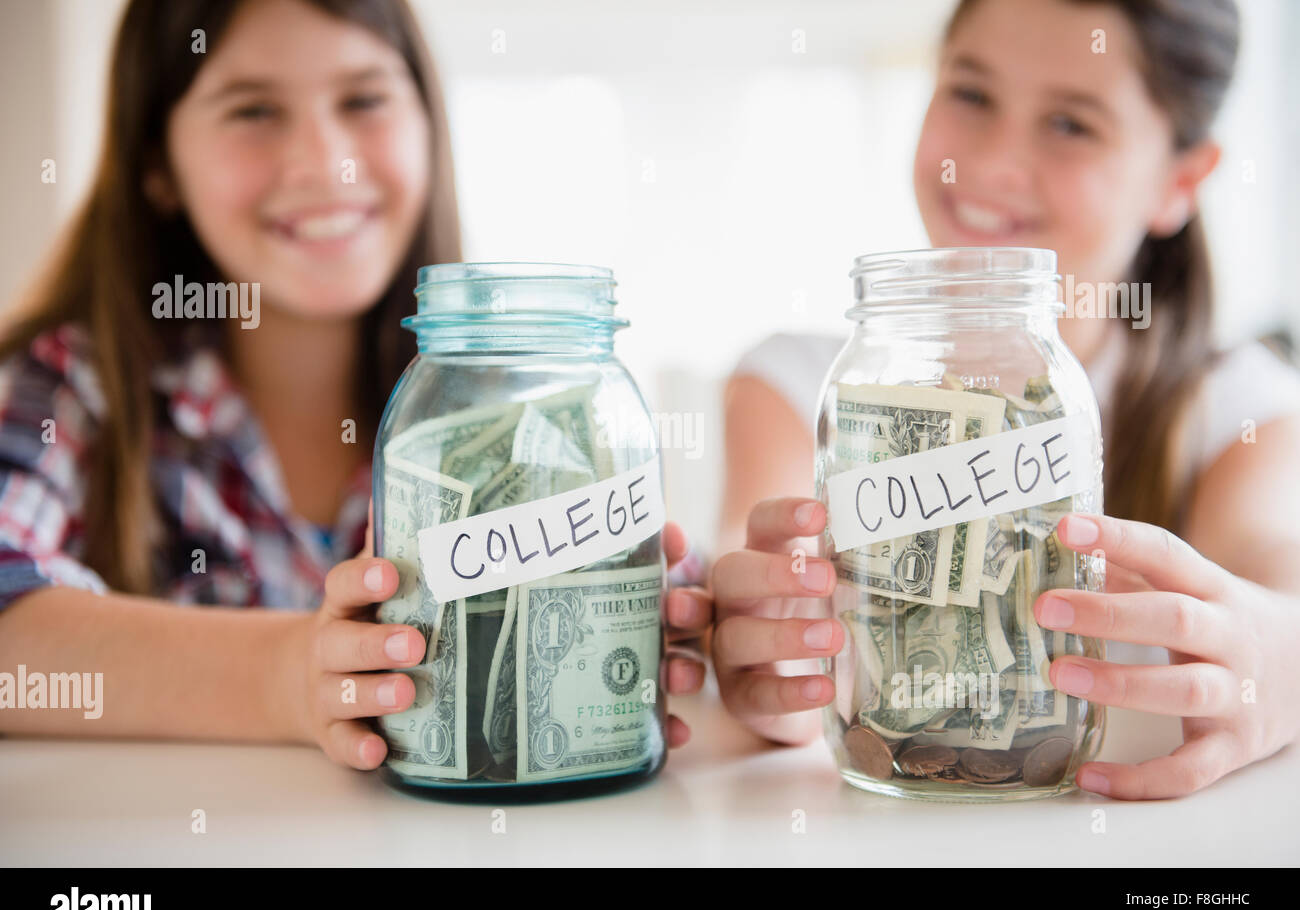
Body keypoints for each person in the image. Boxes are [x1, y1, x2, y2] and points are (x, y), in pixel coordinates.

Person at [0, 0, 707, 766]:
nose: (324, 160)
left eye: (364, 100)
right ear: (158, 167)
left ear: (428, 125)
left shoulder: (527, 400)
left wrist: (739, 633)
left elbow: (679, 611)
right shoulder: (74, 385)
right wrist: (287, 674)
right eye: (254, 110)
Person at [709, 0, 1300, 799]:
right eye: (973, 94)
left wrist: (1285, 650)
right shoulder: (802, 381)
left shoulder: (1243, 409)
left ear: (1179, 179)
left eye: (1071, 124)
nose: (992, 164)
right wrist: (773, 659)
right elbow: (752, 582)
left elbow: (1280, 572)